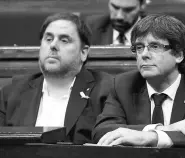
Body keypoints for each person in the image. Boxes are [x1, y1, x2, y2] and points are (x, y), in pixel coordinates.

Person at [92, 14, 185, 157]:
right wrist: (165, 129)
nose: (144, 54)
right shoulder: (123, 84)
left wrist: (152, 137)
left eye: (154, 46)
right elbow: (102, 132)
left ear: (178, 55)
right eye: (139, 47)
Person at [0, 12, 113, 144]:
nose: (53, 45)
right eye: (48, 39)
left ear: (83, 52)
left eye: (64, 40)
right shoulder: (12, 92)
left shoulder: (105, 91)